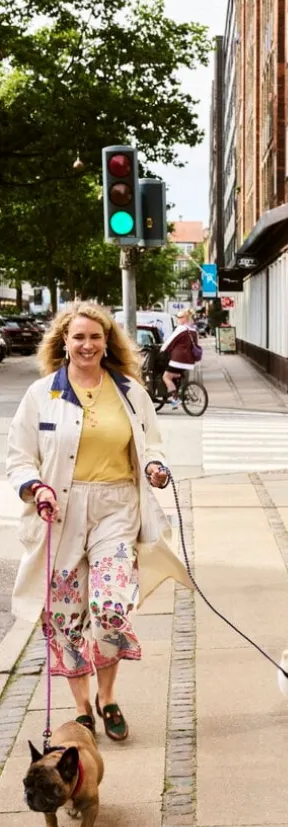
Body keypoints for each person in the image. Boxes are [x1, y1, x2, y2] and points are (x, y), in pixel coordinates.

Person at [6, 302, 191, 741]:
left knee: (110, 609)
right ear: (64, 343)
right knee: (66, 618)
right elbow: (18, 457)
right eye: (78, 337)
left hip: (116, 509)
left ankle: (108, 699)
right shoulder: (42, 394)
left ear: (107, 341)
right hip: (62, 513)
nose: (87, 344)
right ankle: (81, 707)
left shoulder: (130, 392)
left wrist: (155, 468)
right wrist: (36, 487)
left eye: (95, 336)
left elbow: (153, 446)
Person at [161, 309, 201, 408]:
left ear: (185, 318)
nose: (177, 319)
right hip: (189, 361)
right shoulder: (193, 330)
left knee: (166, 377)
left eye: (179, 317)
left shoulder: (181, 329)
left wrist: (162, 351)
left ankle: (175, 398)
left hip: (178, 360)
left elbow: (170, 341)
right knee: (174, 374)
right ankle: (178, 384)